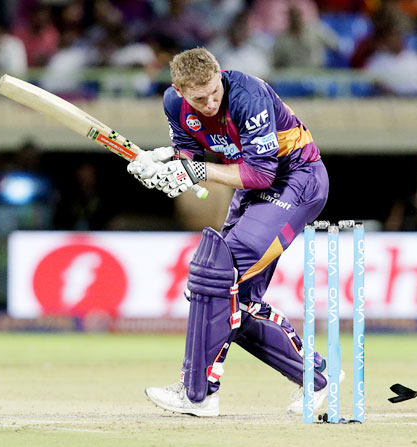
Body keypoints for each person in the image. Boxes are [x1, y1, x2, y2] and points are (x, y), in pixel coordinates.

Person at [126, 48, 330, 417]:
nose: (209, 102)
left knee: (218, 273)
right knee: (238, 299)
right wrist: (160, 165)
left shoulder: (247, 95)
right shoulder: (175, 103)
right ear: (179, 89)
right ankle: (313, 377)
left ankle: (198, 392)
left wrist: (196, 172)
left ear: (220, 74)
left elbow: (260, 174)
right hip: (254, 189)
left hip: (297, 178)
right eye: (198, 98)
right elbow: (187, 155)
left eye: (213, 91)